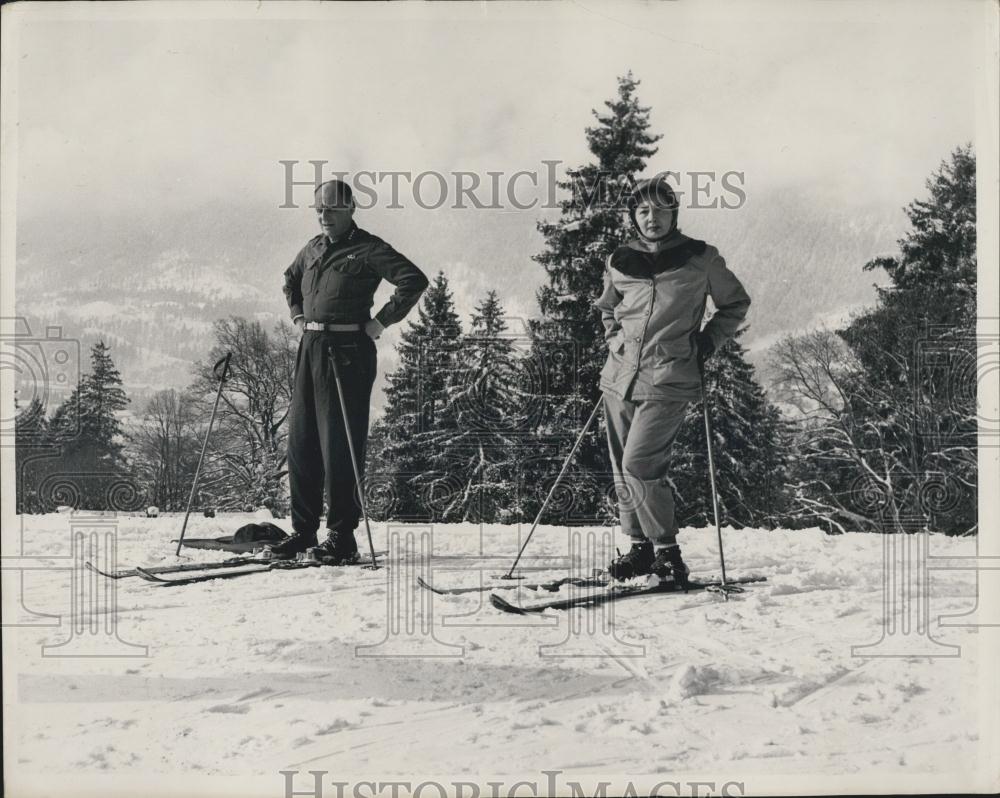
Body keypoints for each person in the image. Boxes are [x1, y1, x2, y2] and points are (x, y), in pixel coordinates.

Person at [595, 174, 751, 584]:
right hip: (618, 380)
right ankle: (640, 550)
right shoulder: (619, 260)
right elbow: (608, 308)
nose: (652, 218)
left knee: (640, 463)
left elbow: (735, 303)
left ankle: (668, 552)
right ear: (633, 216)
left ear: (673, 214)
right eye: (643, 211)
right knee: (621, 467)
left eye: (660, 211)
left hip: (669, 377)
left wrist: (706, 343)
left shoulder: (700, 258)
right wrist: (615, 340)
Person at [268, 179, 429, 563]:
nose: (324, 216)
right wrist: (298, 315)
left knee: (339, 445)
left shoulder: (369, 248)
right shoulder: (312, 248)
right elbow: (290, 281)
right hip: (310, 348)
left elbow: (413, 280)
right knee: (302, 443)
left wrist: (382, 322)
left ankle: (342, 537)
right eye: (319, 210)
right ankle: (304, 532)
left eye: (333, 210)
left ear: (351, 209)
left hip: (348, 352)